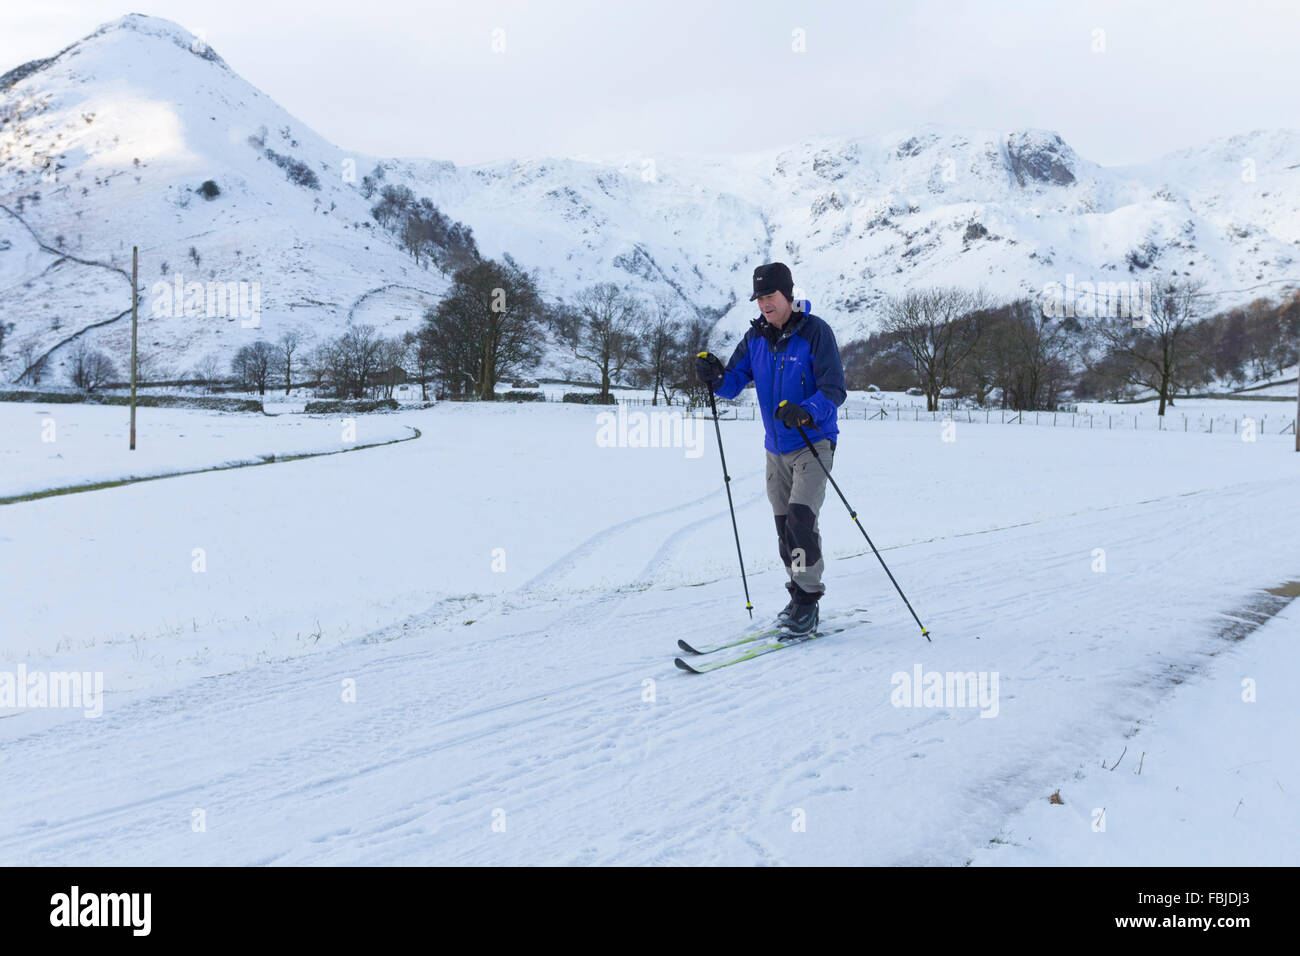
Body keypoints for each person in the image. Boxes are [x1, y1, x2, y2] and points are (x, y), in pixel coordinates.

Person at [695, 262, 846, 636]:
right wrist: (714, 376)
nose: (764, 304)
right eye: (759, 297)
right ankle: (797, 592)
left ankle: (808, 602)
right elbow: (733, 384)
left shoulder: (815, 333)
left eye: (770, 296)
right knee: (785, 530)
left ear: (788, 295)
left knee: (800, 520)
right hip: (774, 450)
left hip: (813, 443)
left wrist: (806, 412)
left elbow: (833, 390)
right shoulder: (755, 339)